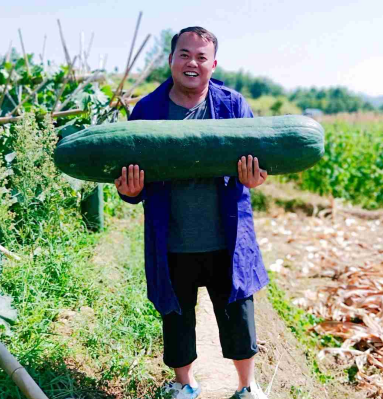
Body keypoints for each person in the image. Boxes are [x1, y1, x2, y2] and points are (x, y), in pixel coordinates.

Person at [115, 27, 269, 399]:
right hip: (173, 237)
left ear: (213, 65)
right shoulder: (147, 111)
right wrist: (130, 191)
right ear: (171, 60)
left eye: (201, 57)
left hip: (225, 236)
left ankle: (247, 387)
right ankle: (185, 385)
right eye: (184, 55)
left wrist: (255, 178)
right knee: (177, 316)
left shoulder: (233, 107)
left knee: (238, 313)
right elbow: (130, 178)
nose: (192, 63)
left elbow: (259, 163)